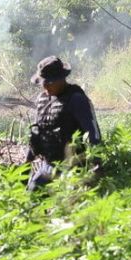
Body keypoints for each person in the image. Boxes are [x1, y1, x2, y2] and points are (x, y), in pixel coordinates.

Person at [26, 56, 102, 191]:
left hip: (73, 168)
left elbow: (93, 135)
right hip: (48, 165)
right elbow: (36, 133)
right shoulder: (42, 99)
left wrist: (95, 167)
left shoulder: (77, 99)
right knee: (31, 194)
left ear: (61, 79)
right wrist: (26, 164)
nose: (45, 87)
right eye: (43, 84)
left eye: (49, 83)